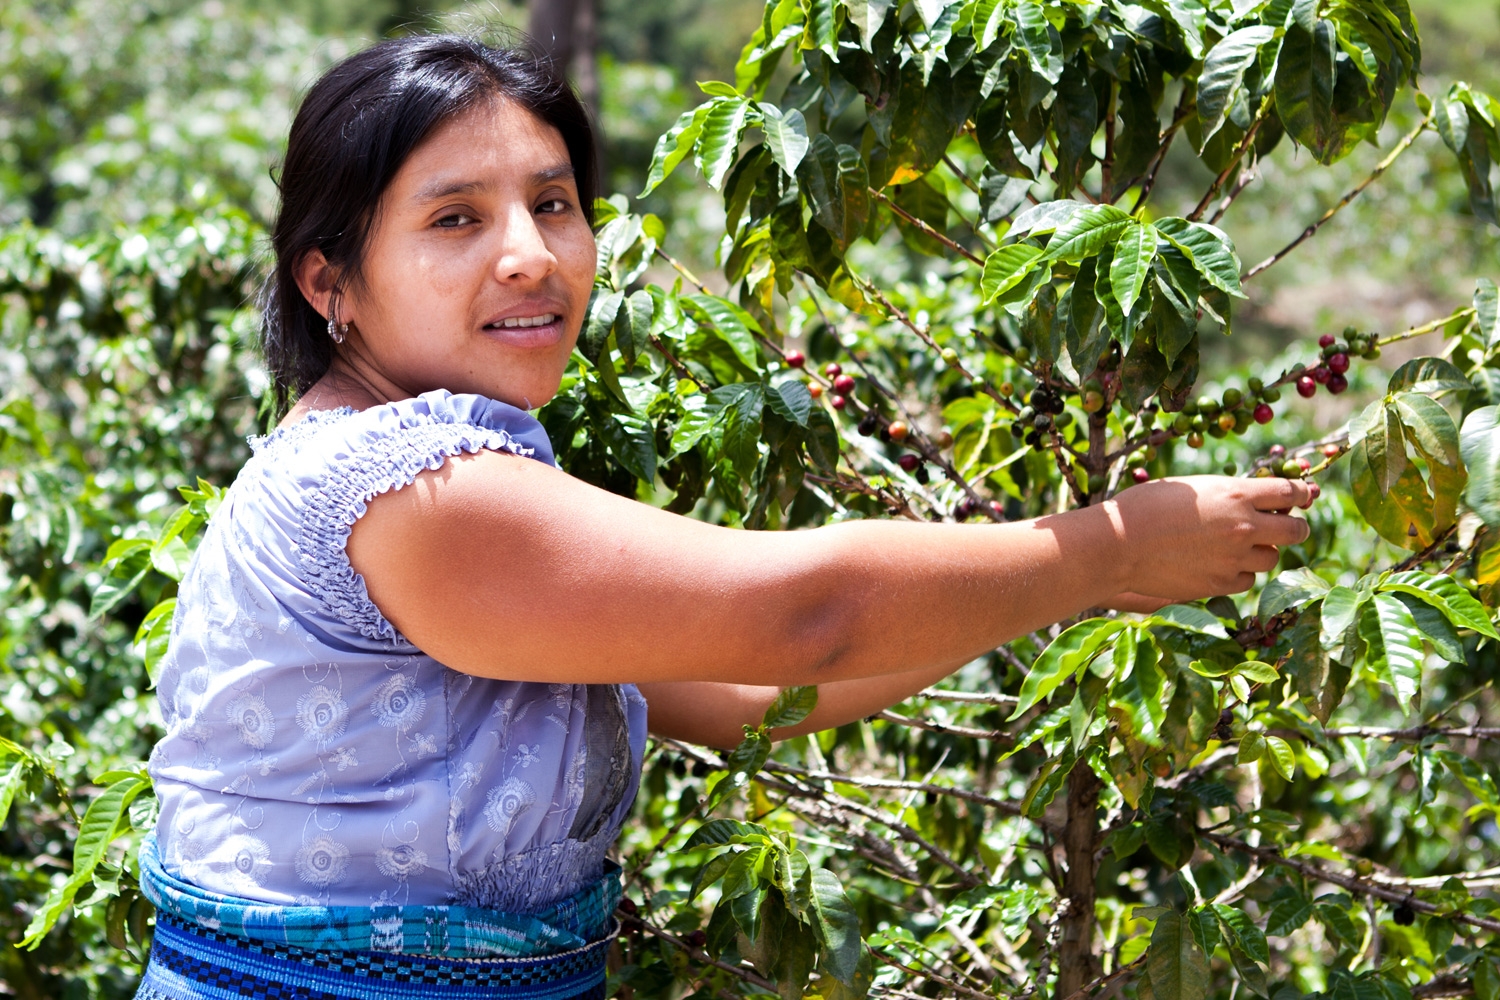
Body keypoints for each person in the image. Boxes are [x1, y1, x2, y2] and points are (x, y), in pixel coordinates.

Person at [134, 32, 1314, 1000]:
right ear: (328, 280)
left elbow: (753, 693)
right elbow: (808, 620)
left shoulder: (445, 459)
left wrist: (1062, 585)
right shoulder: (415, 487)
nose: (530, 256)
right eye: (455, 220)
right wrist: (1104, 551)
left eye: (554, 203)